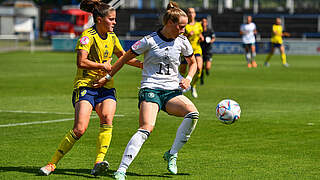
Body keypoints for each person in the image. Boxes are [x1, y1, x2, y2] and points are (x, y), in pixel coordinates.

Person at [96, 2, 198, 179]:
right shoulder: (149, 41)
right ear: (170, 23)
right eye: (181, 26)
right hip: (150, 88)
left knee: (193, 114)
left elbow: (193, 63)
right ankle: (122, 169)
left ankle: (172, 153)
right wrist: (107, 77)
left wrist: (188, 79)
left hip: (172, 91)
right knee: (146, 128)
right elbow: (123, 58)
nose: (183, 30)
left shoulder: (182, 41)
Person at [39, 0, 142, 176]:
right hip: (86, 86)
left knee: (107, 118)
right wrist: (103, 66)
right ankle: (52, 164)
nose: (114, 23)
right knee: (80, 128)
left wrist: (144, 65)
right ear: (100, 19)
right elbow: (81, 62)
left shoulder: (112, 37)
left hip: (105, 88)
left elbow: (123, 58)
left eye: (115, 19)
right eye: (111, 19)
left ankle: (98, 162)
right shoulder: (88, 36)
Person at [180, 7, 204, 98]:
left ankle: (193, 85)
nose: (191, 14)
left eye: (192, 12)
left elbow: (200, 34)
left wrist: (201, 37)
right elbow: (180, 36)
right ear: (187, 14)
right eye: (189, 12)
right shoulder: (184, 25)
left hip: (197, 49)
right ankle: (181, 87)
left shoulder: (198, 25)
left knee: (199, 68)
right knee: (182, 71)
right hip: (186, 50)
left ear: (195, 14)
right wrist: (187, 35)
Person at [200, 17, 215, 85]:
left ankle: (207, 70)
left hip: (208, 50)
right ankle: (201, 79)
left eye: (205, 22)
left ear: (207, 23)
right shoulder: (199, 30)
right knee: (200, 67)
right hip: (201, 50)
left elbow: (213, 38)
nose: (204, 23)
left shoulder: (210, 30)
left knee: (207, 67)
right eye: (203, 22)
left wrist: (210, 41)